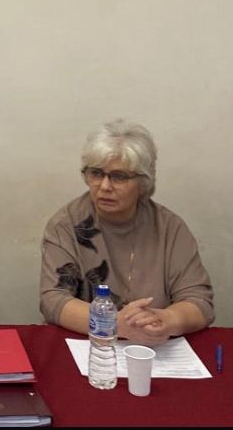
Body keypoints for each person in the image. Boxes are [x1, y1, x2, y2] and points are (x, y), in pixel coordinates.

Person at [40, 119, 213, 345]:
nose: (104, 186)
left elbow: (200, 302)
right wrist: (114, 323)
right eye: (96, 173)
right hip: (91, 348)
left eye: (119, 176)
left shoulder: (170, 228)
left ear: (143, 181)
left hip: (153, 349)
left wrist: (166, 319)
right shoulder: (66, 225)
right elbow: (53, 300)